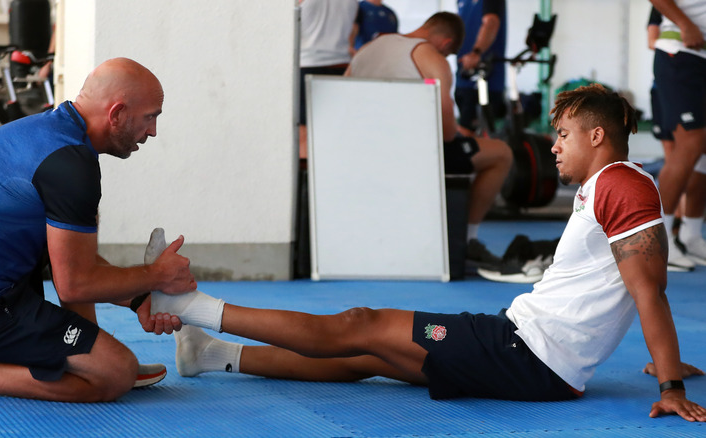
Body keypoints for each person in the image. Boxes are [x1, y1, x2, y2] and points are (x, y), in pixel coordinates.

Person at [150, 84, 706, 422]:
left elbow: (647, 287)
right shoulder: (612, 184)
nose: (553, 145)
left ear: (597, 137)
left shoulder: (620, 184)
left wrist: (670, 387)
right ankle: (211, 353)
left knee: (358, 323)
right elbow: (624, 283)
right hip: (523, 347)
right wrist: (668, 360)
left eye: (562, 134)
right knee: (368, 357)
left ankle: (191, 304)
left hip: (524, 352)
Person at [0, 58, 193, 401]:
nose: (153, 131)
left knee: (102, 356)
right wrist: (156, 276)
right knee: (116, 373)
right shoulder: (70, 166)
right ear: (116, 113)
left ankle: (84, 356)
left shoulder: (52, 133)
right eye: (150, 117)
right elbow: (75, 282)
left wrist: (138, 296)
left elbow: (68, 258)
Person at [346, 11, 511, 269]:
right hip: (414, 155)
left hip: (361, 151)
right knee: (501, 153)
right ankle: (467, 242)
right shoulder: (432, 58)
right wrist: (456, 131)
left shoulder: (366, 49)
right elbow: (446, 134)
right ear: (446, 44)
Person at [649, 0, 706, 271]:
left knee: (702, 150)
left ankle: (691, 235)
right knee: (690, 144)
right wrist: (685, 24)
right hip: (681, 55)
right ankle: (659, 240)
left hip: (700, 58)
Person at [298, 0, 359, 159]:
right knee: (335, 129)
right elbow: (353, 28)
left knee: (304, 130)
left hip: (308, 63)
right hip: (341, 66)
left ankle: (306, 181)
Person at [455, 0, 507, 136]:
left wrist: (476, 52)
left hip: (484, 79)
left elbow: (491, 22)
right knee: (463, 132)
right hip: (463, 76)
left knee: (470, 136)